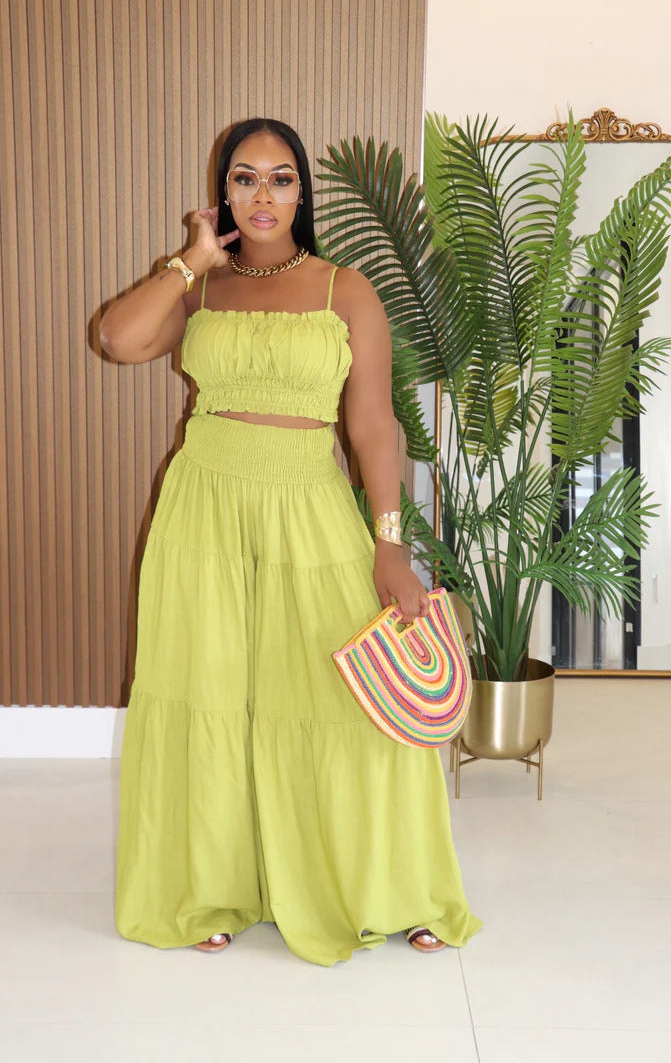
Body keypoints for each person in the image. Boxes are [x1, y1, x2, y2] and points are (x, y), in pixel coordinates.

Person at [100, 117, 480, 966]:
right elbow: (117, 340)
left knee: (343, 704)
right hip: (204, 510)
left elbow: (373, 426)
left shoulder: (345, 290)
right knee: (209, 694)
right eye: (244, 178)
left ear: (302, 192)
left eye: (279, 178)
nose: (262, 195)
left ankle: (396, 888)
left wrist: (390, 545)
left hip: (310, 503)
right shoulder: (200, 289)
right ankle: (213, 889)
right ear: (223, 192)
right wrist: (190, 260)